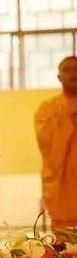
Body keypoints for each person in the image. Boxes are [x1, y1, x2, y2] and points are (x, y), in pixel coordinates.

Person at [35, 55, 77, 228]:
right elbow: (46, 146)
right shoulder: (47, 109)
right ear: (59, 77)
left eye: (76, 69)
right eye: (67, 70)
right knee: (64, 242)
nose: (73, 73)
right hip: (61, 194)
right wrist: (68, 117)